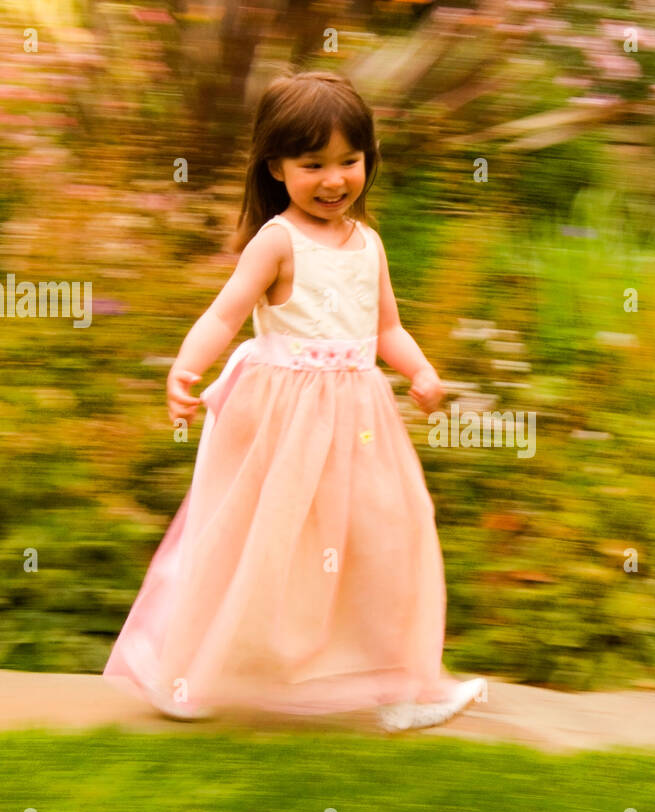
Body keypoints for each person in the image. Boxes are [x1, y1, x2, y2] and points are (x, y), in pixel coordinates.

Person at [103, 70, 485, 732]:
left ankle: (400, 685)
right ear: (277, 166)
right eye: (313, 164)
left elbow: (385, 326)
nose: (334, 179)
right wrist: (185, 369)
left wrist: (420, 371)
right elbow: (225, 316)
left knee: (392, 535)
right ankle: (187, 675)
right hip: (282, 425)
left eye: (349, 160)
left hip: (362, 423)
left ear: (369, 159)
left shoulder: (369, 243)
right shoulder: (277, 241)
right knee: (250, 550)